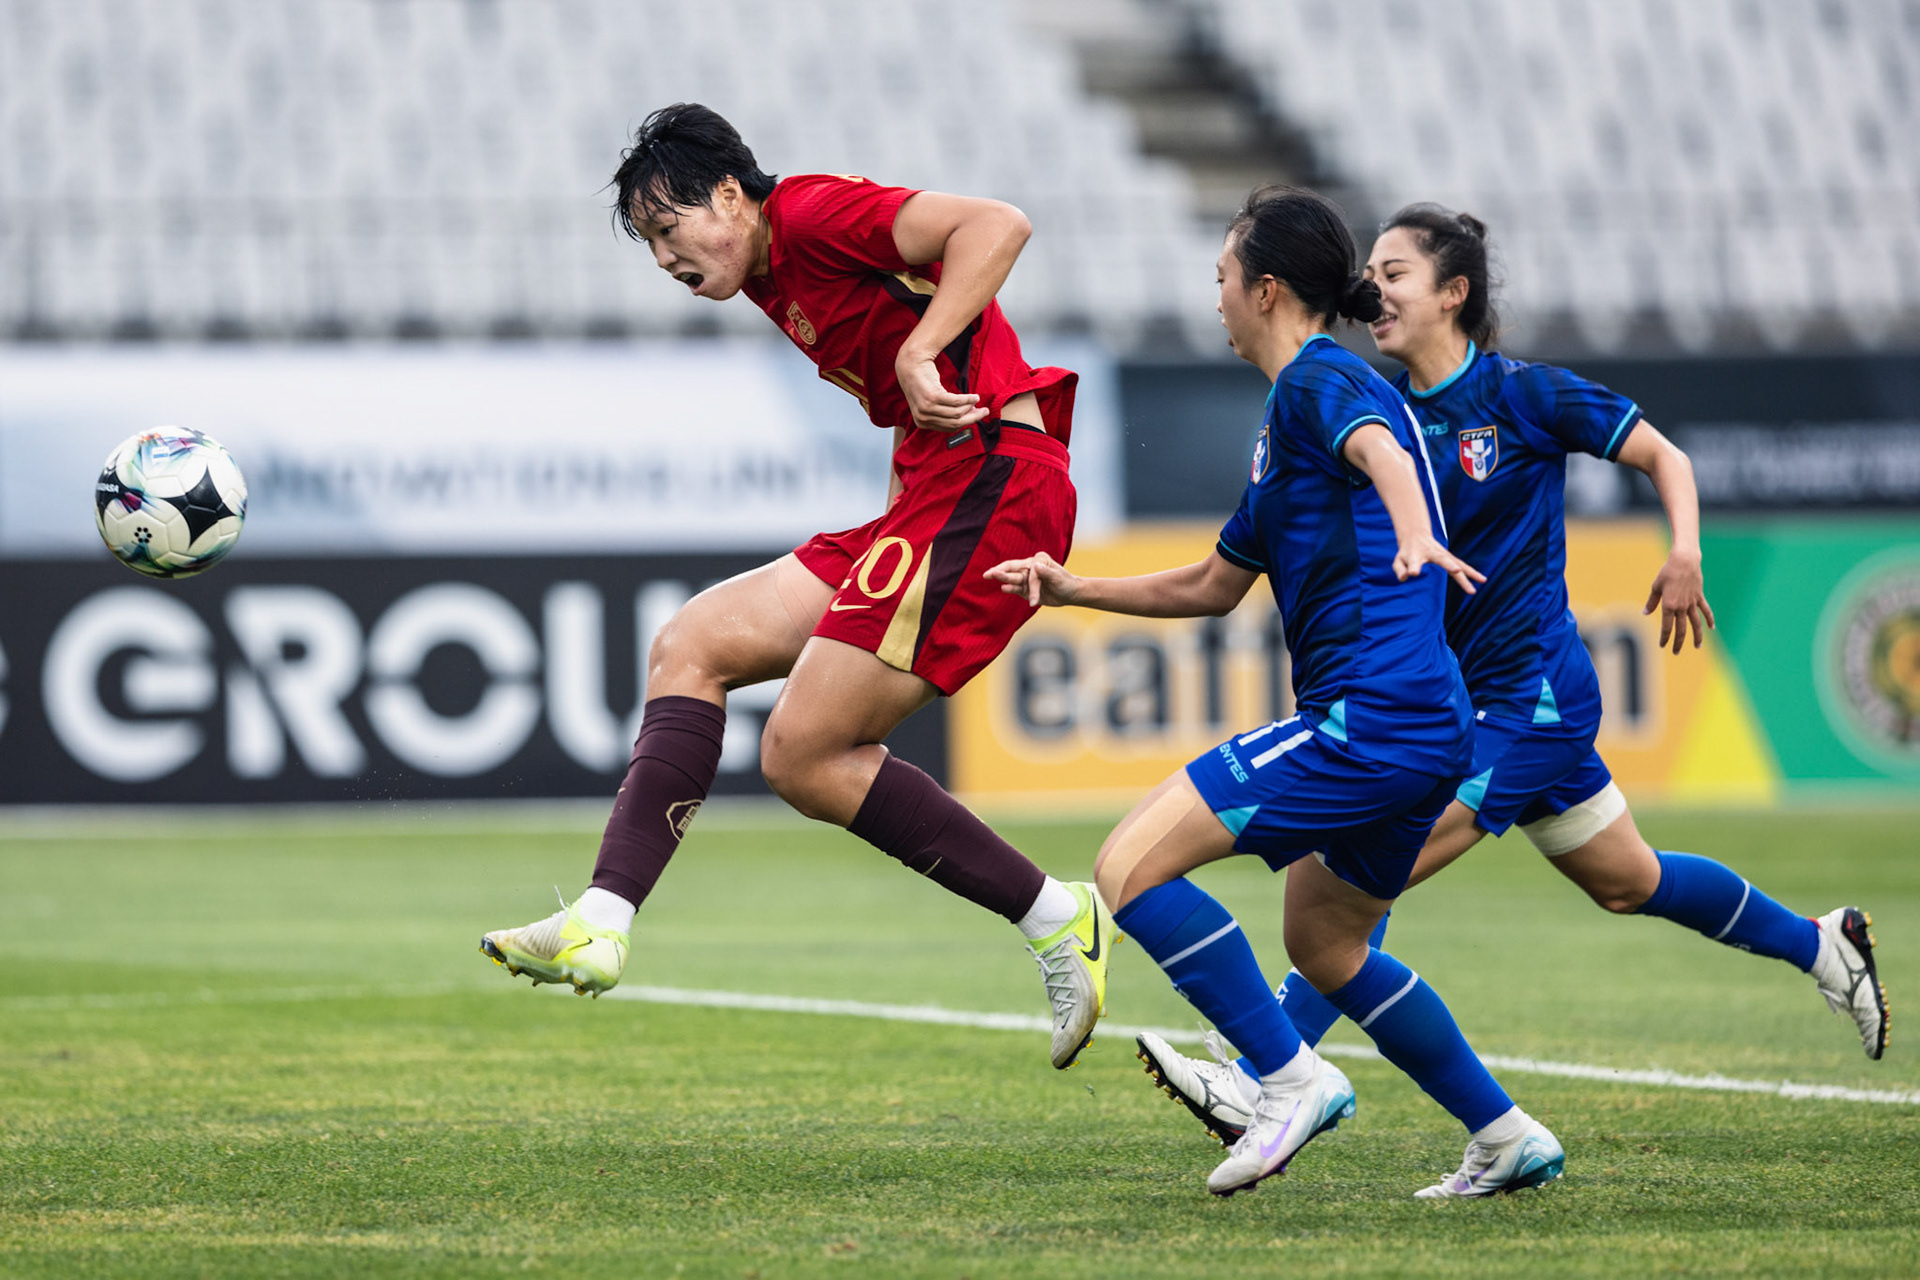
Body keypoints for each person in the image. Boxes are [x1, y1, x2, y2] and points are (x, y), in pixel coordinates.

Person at [1132, 203, 1889, 1154]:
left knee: (1364, 877)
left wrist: (1685, 549)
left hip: (1526, 701)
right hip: (1463, 697)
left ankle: (1263, 1077)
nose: (1377, 290)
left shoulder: (1523, 397)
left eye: (1397, 273)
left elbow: (1665, 454)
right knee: (1630, 880)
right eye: (1371, 272)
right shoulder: (1378, 400)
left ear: (1455, 293)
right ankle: (1822, 943)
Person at [479, 103, 1114, 1072]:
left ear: (730, 195)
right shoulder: (772, 279)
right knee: (692, 643)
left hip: (995, 485)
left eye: (667, 228)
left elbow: (996, 223)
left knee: (804, 753)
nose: (663, 259)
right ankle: (600, 918)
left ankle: (1055, 914)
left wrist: (920, 346)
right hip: (937, 490)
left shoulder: (812, 214)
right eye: (649, 243)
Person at [988, 186, 1564, 1199]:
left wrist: (1419, 524)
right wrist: (1073, 586)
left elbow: (1385, 452)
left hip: (1367, 721)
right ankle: (1506, 1131)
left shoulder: (1316, 383)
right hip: (1426, 726)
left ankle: (1289, 1079)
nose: (1213, 298)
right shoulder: (1290, 413)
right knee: (1328, 942)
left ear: (1264, 288)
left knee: (1125, 868)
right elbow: (1213, 585)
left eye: (1221, 278)